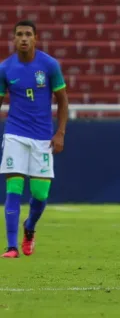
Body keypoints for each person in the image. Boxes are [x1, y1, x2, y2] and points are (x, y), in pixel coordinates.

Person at [0, 20, 69, 258]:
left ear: (35, 38)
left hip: (42, 138)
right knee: (14, 189)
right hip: (15, 135)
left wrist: (60, 132)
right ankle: (11, 247)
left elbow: (62, 100)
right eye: (19, 34)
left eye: (28, 34)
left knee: (40, 195)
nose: (24, 38)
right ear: (14, 38)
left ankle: (29, 228)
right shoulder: (5, 68)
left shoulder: (49, 65)